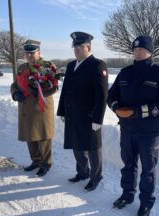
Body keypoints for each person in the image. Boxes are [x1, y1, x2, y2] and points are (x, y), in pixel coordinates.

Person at [107, 35, 159, 216]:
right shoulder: (125, 72)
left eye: (142, 50)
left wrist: (137, 112)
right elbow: (111, 94)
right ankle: (127, 194)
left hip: (149, 131)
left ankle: (146, 202)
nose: (137, 53)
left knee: (148, 169)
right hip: (127, 129)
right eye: (135, 50)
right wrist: (115, 108)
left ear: (150, 52)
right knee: (128, 165)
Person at [57, 31, 108, 192]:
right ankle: (82, 172)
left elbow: (102, 96)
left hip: (89, 116)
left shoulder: (97, 65)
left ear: (88, 47)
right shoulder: (71, 65)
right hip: (73, 115)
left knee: (93, 148)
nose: (76, 49)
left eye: (80, 46)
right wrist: (62, 111)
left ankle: (96, 176)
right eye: (75, 47)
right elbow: (66, 90)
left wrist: (97, 119)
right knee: (77, 145)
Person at [10, 39, 58, 177]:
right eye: (27, 53)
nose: (29, 56)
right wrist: (15, 93)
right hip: (25, 107)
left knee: (43, 137)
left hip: (41, 108)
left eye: (32, 52)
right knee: (30, 135)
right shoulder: (22, 67)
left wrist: (37, 92)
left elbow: (53, 87)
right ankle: (36, 161)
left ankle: (46, 163)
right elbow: (14, 84)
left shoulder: (47, 66)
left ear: (39, 52)